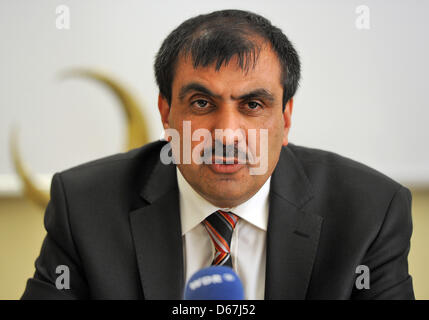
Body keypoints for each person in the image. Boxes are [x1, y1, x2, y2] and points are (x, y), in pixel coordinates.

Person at [22, 9, 414, 300]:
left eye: (253, 105)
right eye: (201, 104)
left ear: (286, 116)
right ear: (166, 113)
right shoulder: (85, 206)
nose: (226, 133)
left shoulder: (370, 212)